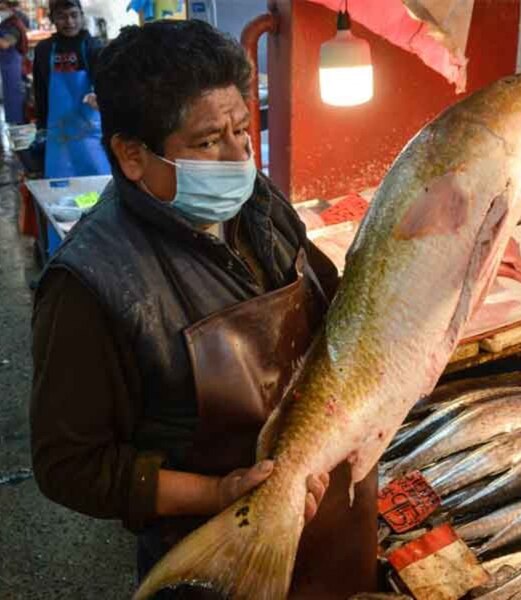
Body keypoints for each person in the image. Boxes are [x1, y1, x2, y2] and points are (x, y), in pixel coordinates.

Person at [29, 19, 378, 599]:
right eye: (209, 141)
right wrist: (218, 495)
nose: (240, 155)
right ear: (132, 156)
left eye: (244, 129)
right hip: (217, 558)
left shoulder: (257, 201)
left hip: (334, 531)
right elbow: (69, 465)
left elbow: (329, 305)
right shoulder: (88, 285)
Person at [32, 0, 108, 177]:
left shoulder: (93, 46)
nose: (69, 22)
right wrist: (41, 127)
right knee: (62, 184)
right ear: (52, 19)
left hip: (91, 127)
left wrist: (98, 95)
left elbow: (105, 84)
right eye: (62, 17)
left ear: (82, 16)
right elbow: (40, 90)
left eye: (74, 15)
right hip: (58, 131)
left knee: (99, 179)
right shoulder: (44, 50)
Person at [0, 0, 27, 125]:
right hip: (3, 69)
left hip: (12, 70)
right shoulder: (4, 23)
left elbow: (5, 43)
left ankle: (15, 128)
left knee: (13, 103)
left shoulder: (14, 24)